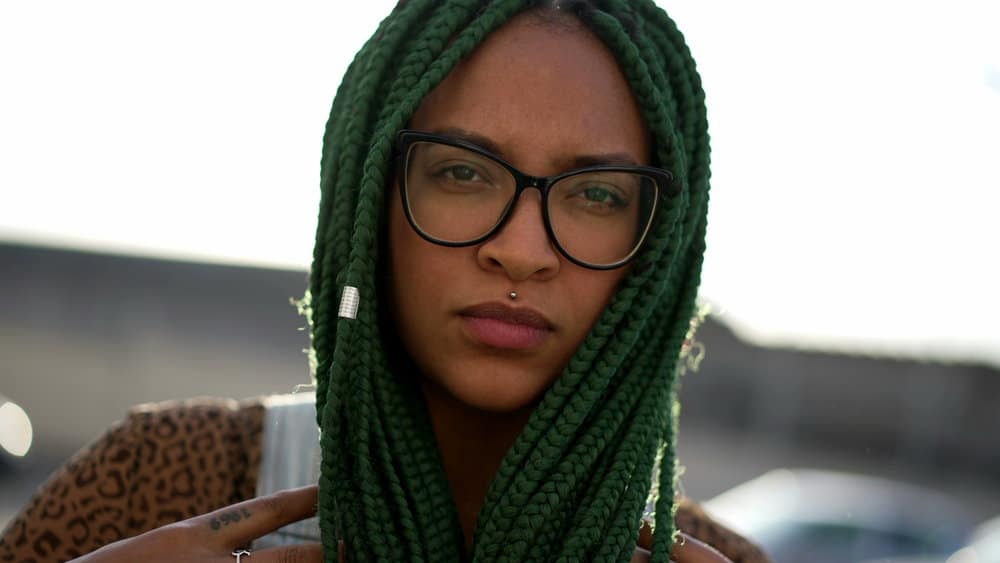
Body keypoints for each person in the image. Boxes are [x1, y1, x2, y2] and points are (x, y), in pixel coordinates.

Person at [1, 1, 769, 562]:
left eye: (598, 192)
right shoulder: (155, 480)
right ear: (367, 208)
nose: (522, 248)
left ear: (658, 250)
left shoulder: (723, 557)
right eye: (461, 172)